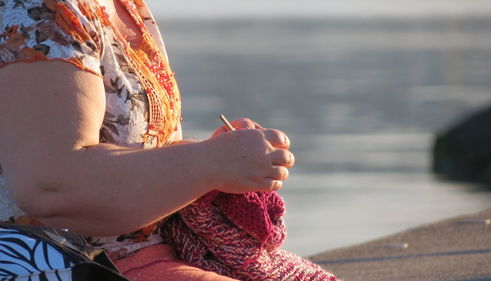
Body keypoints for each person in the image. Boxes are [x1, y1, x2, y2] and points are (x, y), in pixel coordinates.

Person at [0, 0, 337, 280]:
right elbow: (52, 186)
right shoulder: (40, 10)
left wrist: (213, 159)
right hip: (77, 265)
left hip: (137, 259)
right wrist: (210, 163)